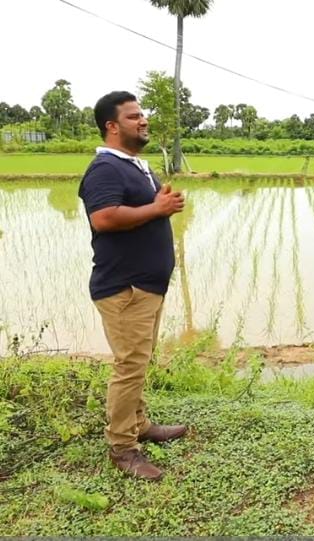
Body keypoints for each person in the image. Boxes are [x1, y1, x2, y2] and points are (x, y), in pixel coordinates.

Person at [78, 91, 187, 481]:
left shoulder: (135, 166)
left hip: (146, 286)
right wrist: (157, 208)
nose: (143, 121)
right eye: (133, 116)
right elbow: (104, 218)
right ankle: (122, 446)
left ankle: (139, 424)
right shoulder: (105, 168)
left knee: (139, 362)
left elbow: (141, 210)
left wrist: (159, 203)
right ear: (112, 126)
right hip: (125, 287)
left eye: (143, 115)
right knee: (129, 366)